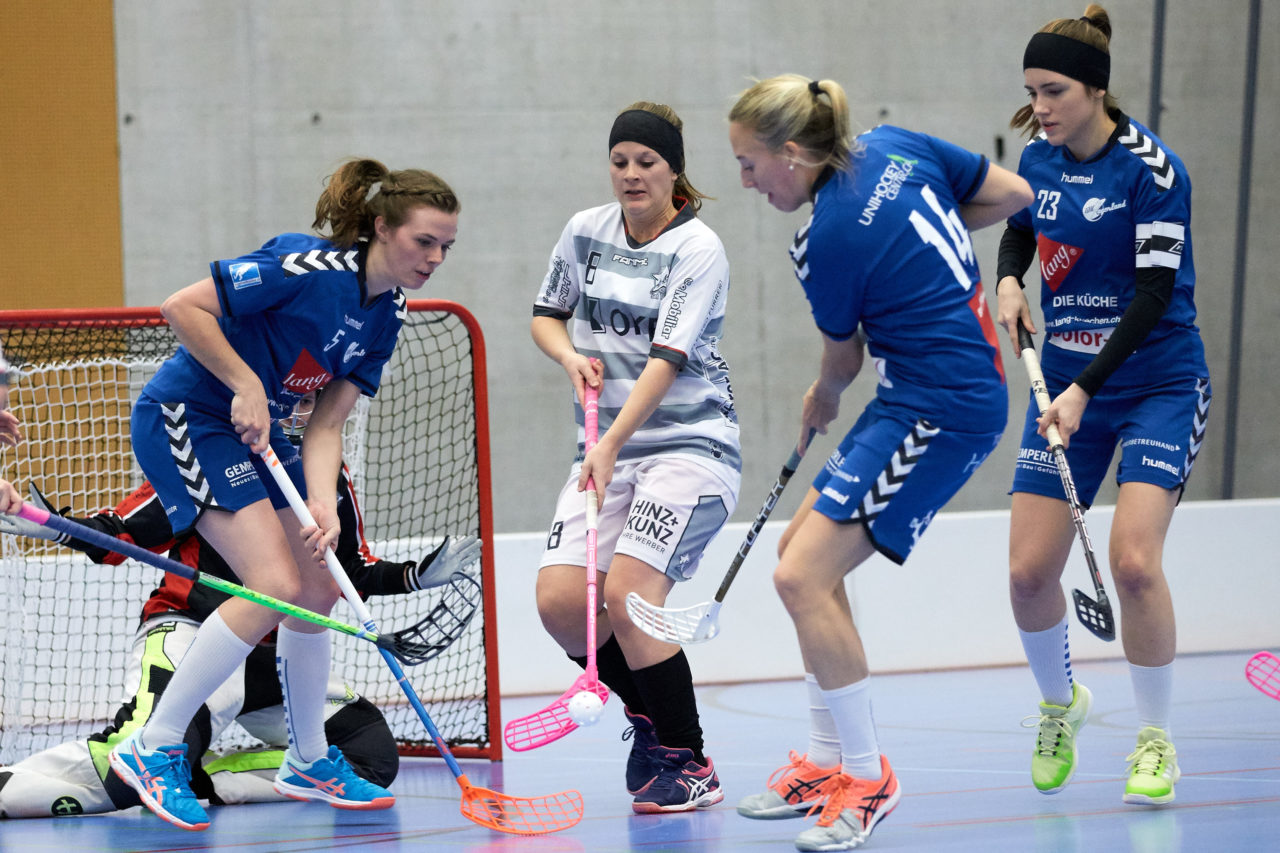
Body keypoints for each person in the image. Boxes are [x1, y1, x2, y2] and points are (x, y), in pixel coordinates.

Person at [103, 157, 459, 831]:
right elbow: (182, 306)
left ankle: (308, 757)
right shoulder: (307, 267)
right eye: (424, 241)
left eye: (446, 246)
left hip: (265, 433)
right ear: (382, 228)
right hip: (189, 416)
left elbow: (326, 421)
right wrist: (241, 381)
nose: (435, 257)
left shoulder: (390, 312)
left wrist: (321, 502)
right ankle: (151, 747)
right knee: (269, 582)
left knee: (319, 581)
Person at [727, 75, 1033, 850]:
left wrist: (818, 398)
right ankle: (827, 763)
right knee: (798, 558)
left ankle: (868, 778)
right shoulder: (897, 146)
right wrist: (917, 234)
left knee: (803, 577)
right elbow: (1012, 193)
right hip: (913, 393)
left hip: (947, 404)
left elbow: (842, 360)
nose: (746, 181)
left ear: (793, 153)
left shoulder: (822, 239)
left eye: (751, 163)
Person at [0, 392, 481, 819]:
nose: (300, 413)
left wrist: (414, 576)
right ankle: (11, 786)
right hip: (193, 632)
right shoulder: (210, 458)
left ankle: (202, 775)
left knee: (369, 751)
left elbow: (343, 571)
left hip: (276, 659)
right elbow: (125, 532)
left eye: (312, 402)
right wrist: (51, 525)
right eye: (291, 399)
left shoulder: (326, 480)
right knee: (130, 772)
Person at [995, 5, 1209, 806]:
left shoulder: (1153, 171)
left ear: (1096, 89)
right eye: (1031, 92)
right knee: (1025, 575)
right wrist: (1012, 277)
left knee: (1134, 564)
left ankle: (1155, 741)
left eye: (1054, 92)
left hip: (1156, 384)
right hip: (1065, 386)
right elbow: (1020, 229)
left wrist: (1087, 388)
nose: (1041, 108)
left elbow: (1155, 293)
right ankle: (1062, 703)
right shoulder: (1038, 157)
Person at [531, 101, 741, 814]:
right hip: (605, 444)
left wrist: (611, 442)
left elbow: (668, 357)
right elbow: (547, 315)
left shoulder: (697, 248)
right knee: (563, 605)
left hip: (689, 444)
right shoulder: (584, 231)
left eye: (646, 162)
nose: (630, 174)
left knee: (628, 596)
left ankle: (690, 758)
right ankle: (648, 720)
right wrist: (570, 357)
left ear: (674, 168)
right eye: (619, 160)